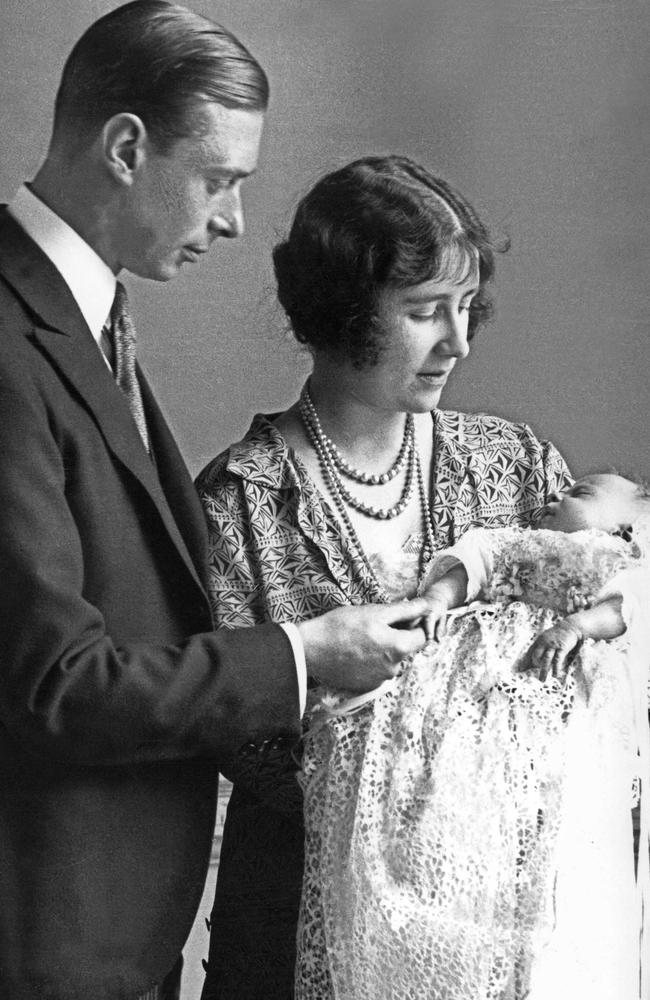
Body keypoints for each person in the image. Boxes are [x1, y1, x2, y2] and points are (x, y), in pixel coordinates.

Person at [0, 10, 431, 1000]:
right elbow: (54, 686)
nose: (234, 218)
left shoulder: (85, 319)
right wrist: (302, 657)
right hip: (45, 949)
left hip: (118, 940)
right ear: (123, 147)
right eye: (219, 179)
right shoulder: (9, 345)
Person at [196, 154, 573, 999]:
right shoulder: (240, 501)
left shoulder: (515, 466)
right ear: (343, 311)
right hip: (298, 929)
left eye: (467, 307)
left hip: (495, 937)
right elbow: (233, 731)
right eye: (425, 312)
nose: (459, 341)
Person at [297, 473, 650, 999]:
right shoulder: (525, 542)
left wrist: (574, 628)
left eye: (579, 494)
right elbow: (477, 560)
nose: (554, 495)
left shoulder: (622, 564)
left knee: (551, 829)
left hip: (547, 692)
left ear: (627, 528)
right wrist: (439, 598)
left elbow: (622, 611)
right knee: (434, 761)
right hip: (465, 674)